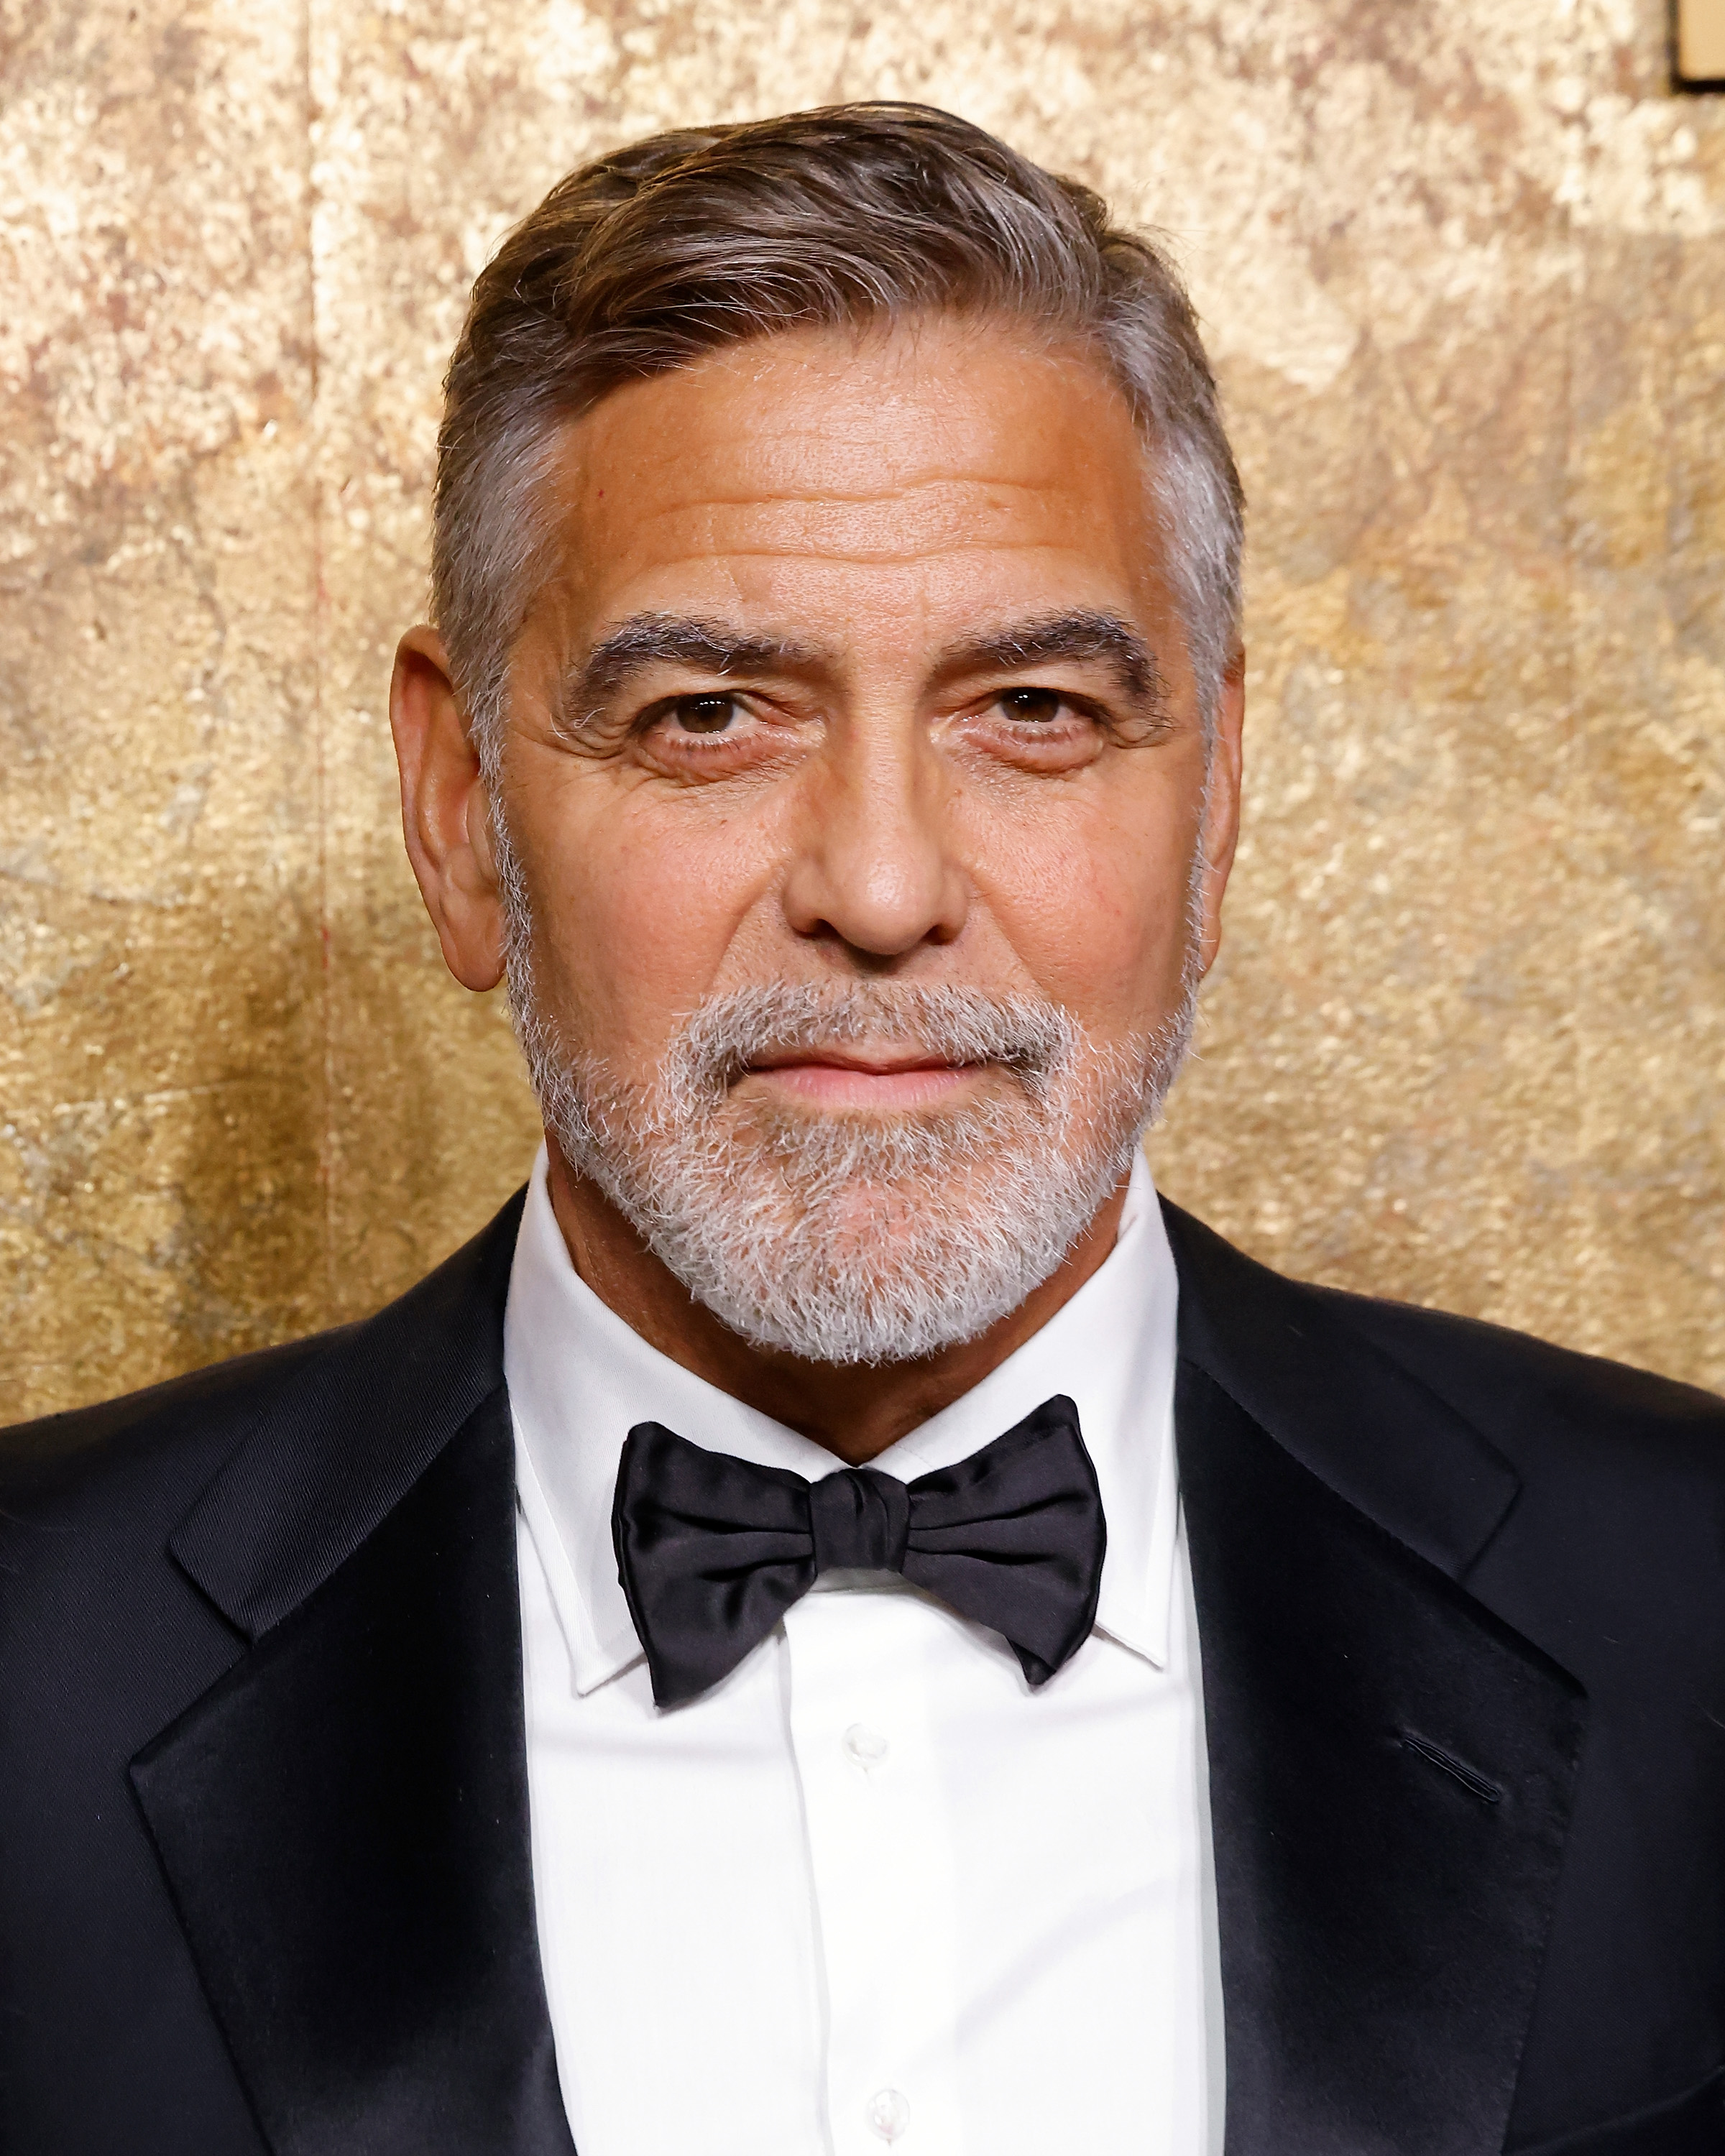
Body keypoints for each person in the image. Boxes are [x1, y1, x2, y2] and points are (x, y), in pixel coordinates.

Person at [2, 101, 1722, 2156]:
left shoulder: (1691, 1603)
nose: (885, 886)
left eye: (1035, 714)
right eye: (710, 716)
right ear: (462, 812)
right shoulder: (30, 1676)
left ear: (1220, 804)